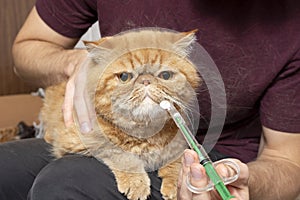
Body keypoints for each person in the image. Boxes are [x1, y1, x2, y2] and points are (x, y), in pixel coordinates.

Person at [1, 0, 299, 199]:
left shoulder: (291, 22)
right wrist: (72, 62)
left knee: (63, 183)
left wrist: (245, 182)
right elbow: (28, 48)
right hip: (109, 130)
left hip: (211, 154)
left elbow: (287, 161)